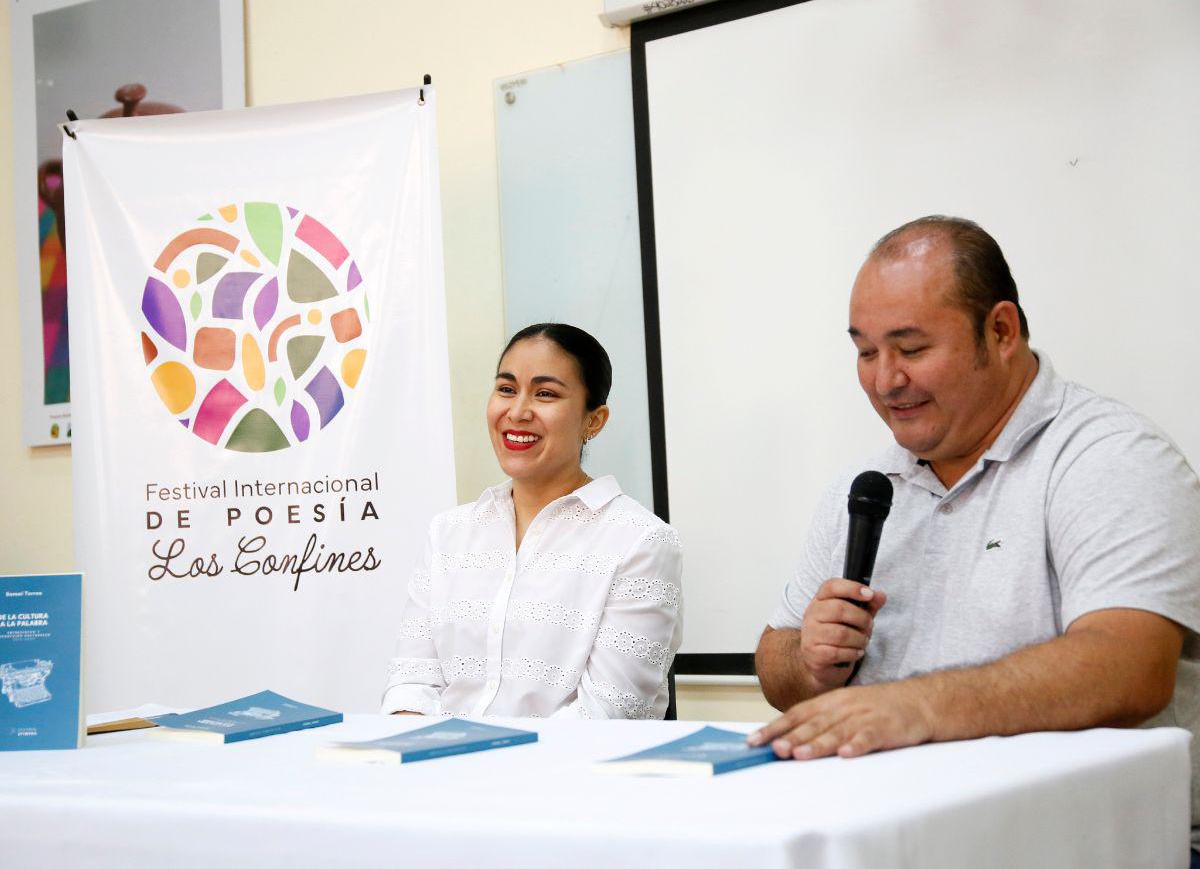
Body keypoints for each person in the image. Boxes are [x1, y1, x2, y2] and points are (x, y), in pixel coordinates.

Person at [751, 216, 1200, 854]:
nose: (885, 381)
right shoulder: (867, 485)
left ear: (1001, 331)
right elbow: (777, 662)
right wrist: (812, 663)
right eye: (865, 351)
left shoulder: (1110, 456)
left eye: (910, 349)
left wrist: (913, 708)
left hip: (1088, 848)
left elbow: (1129, 669)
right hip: (899, 839)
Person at [382, 323, 682, 719]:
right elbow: (410, 683)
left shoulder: (640, 541)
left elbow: (607, 713)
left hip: (563, 776)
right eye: (506, 389)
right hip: (441, 770)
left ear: (594, 420)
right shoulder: (449, 534)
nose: (518, 411)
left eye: (545, 394)